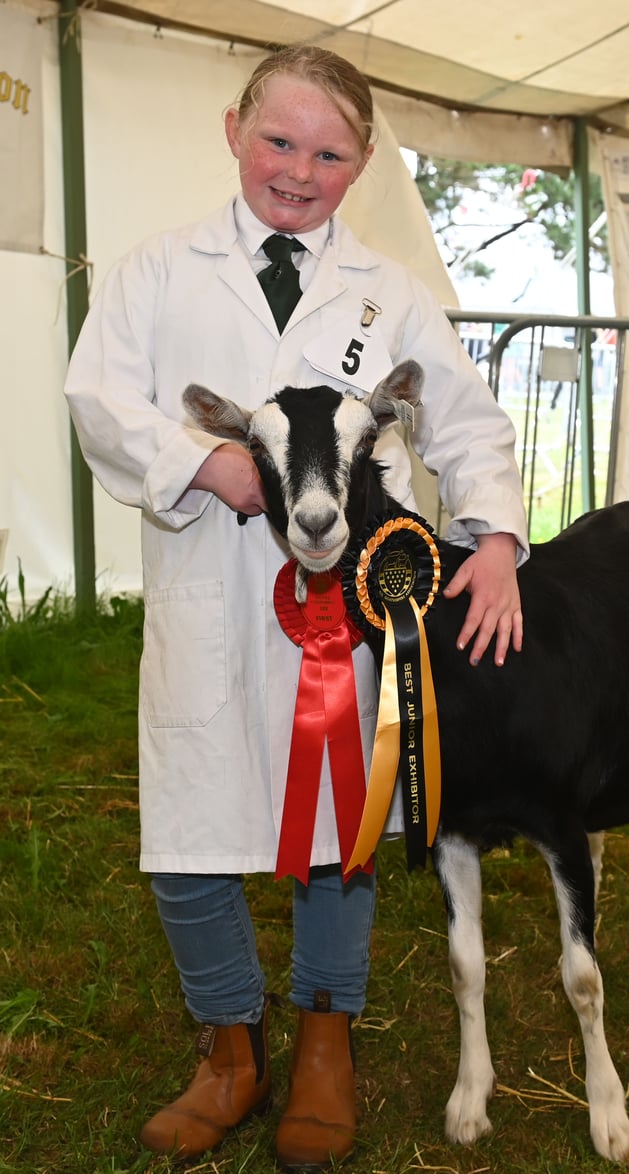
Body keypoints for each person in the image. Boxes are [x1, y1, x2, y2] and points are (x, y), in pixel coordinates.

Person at [63, 44, 529, 1171]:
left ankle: (325, 1038)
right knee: (189, 828)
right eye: (279, 140)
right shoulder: (157, 273)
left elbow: (460, 422)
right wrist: (200, 462)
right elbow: (98, 400)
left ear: (360, 162)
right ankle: (230, 1046)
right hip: (211, 597)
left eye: (328, 152)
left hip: (352, 621)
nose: (298, 169)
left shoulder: (388, 293)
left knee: (341, 828)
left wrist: (500, 536)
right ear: (233, 130)